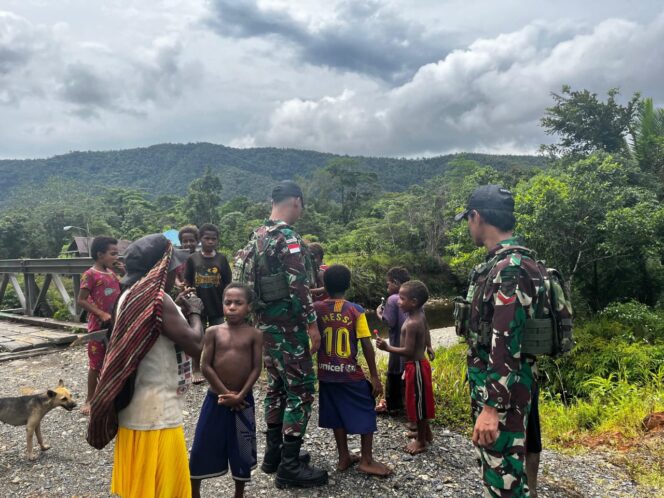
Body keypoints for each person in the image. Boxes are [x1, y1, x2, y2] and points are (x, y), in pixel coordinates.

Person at [87, 233, 203, 498]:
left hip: (133, 409)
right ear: (162, 266)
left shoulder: (128, 295)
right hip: (157, 414)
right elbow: (196, 345)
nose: (177, 269)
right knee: (164, 488)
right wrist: (195, 311)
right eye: (173, 264)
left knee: (140, 488)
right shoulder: (158, 300)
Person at [454, 184, 541, 497]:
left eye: (468, 219)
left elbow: (505, 341)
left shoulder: (510, 270)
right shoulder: (501, 264)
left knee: (504, 482)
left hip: (503, 398)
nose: (468, 226)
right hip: (498, 391)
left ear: (477, 217)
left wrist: (492, 408)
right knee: (496, 474)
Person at [243, 180, 327, 488]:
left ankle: (274, 454)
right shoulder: (288, 238)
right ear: (296, 201)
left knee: (276, 388)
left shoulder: (256, 236)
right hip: (289, 328)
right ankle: (289, 466)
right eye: (302, 205)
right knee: (301, 390)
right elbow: (298, 285)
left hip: (264, 326)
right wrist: (312, 324)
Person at [314, 264, 391, 477]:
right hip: (349, 373)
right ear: (348, 285)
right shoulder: (355, 310)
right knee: (366, 407)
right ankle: (366, 460)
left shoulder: (316, 309)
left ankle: (343, 457)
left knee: (336, 412)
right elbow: (366, 344)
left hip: (326, 373)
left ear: (324, 285)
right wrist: (374, 377)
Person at [189, 283, 263, 498]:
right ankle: (194, 492)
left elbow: (256, 368)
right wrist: (225, 394)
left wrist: (239, 395)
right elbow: (205, 366)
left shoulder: (254, 335)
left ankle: (238, 493)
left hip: (243, 401)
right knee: (203, 443)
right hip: (216, 400)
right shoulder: (213, 331)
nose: (231, 307)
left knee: (242, 448)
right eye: (227, 302)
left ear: (249, 307)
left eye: (238, 303)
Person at [376, 280, 435, 455]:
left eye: (402, 299)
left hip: (415, 367)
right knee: (419, 401)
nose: (398, 302)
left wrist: (387, 348)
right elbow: (427, 330)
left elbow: (408, 350)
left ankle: (421, 442)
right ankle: (427, 433)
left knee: (419, 405)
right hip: (415, 366)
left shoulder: (412, 323)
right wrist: (429, 345)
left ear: (414, 302)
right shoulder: (418, 316)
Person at [77, 236, 123, 416]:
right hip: (98, 327)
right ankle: (90, 399)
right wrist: (101, 313)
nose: (116, 257)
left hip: (115, 325)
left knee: (114, 360)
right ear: (100, 254)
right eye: (113, 254)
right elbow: (81, 300)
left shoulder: (112, 273)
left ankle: (112, 394)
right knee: (96, 364)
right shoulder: (90, 274)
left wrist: (124, 272)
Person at [185, 223, 232, 384]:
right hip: (198, 305)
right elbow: (187, 281)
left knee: (218, 337)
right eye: (207, 238)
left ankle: (216, 367)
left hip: (217, 304)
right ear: (200, 239)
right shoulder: (192, 259)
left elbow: (228, 283)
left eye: (214, 239)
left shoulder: (222, 259)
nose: (210, 241)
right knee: (198, 338)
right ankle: (197, 368)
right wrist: (190, 298)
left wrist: (227, 303)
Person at [375, 266, 410, 415]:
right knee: (407, 376)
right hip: (412, 347)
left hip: (397, 345)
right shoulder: (413, 297)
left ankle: (395, 406)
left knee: (396, 371)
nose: (387, 287)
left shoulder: (393, 299)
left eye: (388, 283)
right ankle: (408, 406)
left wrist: (379, 313)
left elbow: (389, 322)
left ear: (395, 282)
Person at [174, 225, 198, 292]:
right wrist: (178, 283)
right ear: (181, 243)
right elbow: (174, 275)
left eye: (191, 240)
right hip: (183, 294)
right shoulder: (177, 258)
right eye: (185, 241)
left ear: (197, 241)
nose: (188, 244)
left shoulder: (202, 258)